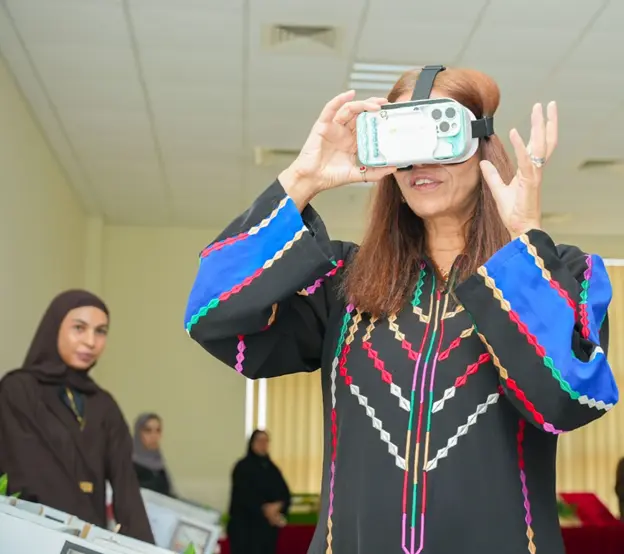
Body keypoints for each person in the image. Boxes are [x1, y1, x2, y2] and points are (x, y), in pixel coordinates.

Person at [183, 66, 618, 554]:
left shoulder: (562, 274)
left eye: (440, 135)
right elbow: (212, 318)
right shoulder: (345, 283)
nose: (418, 162)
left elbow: (566, 402)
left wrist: (523, 244)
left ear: (481, 144)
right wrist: (302, 179)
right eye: (400, 141)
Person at [0, 290, 154, 543]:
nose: (91, 342)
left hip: (87, 540)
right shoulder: (18, 390)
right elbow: (27, 474)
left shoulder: (104, 405)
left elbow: (126, 488)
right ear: (54, 328)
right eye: (79, 328)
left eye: (100, 331)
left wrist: (143, 548)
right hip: (31, 536)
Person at [227, 430, 291, 554]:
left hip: (266, 532)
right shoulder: (242, 467)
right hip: (245, 530)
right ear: (252, 443)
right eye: (260, 440)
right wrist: (265, 509)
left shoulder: (272, 469)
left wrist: (278, 506)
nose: (263, 444)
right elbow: (243, 495)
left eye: (266, 441)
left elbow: (285, 493)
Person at [132, 413, 175, 497]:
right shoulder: (128, 466)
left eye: (158, 430)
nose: (154, 436)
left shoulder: (159, 464)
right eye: (148, 431)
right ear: (138, 433)